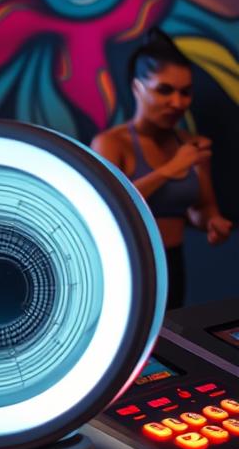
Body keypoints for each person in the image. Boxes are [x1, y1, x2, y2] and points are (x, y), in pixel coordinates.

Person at [92, 30, 232, 308]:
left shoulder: (190, 144)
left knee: (169, 344)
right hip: (127, 266)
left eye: (185, 92)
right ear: (137, 88)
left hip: (173, 264)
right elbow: (106, 207)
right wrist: (169, 170)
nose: (178, 103)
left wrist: (214, 223)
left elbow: (202, 210)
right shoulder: (111, 143)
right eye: (165, 90)